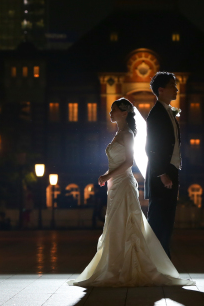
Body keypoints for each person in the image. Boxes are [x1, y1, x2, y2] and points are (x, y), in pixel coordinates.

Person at [68, 98, 194, 287]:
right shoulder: (119, 134)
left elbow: (128, 162)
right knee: (115, 224)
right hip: (115, 186)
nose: (110, 113)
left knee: (125, 223)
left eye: (114, 109)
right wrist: (109, 178)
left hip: (124, 184)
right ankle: (116, 264)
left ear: (124, 113)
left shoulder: (127, 134)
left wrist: (107, 175)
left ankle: (125, 266)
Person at [145, 72, 181, 259]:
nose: (176, 89)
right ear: (161, 90)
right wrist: (162, 174)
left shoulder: (168, 112)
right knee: (158, 221)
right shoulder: (156, 114)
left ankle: (163, 263)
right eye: (172, 86)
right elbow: (150, 147)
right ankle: (153, 263)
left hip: (171, 170)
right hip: (162, 174)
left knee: (167, 221)